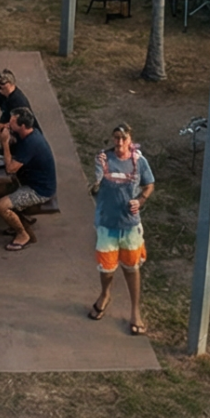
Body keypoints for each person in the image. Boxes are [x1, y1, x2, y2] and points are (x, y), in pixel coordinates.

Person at [89, 124, 155, 335]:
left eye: (123, 138)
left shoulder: (139, 162)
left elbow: (149, 185)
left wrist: (141, 200)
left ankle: (135, 311)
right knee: (106, 268)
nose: (119, 142)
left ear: (130, 140)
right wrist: (98, 176)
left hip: (130, 226)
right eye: (116, 137)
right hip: (106, 223)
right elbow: (94, 188)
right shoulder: (103, 159)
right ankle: (105, 294)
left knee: (131, 268)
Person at [0, 110, 58, 251]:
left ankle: (23, 234)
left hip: (39, 190)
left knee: (1, 206)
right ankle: (17, 220)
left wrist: (5, 142)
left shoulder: (31, 143)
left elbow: (10, 169)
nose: (8, 124)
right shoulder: (28, 134)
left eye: (12, 122)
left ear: (22, 126)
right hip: (29, 181)